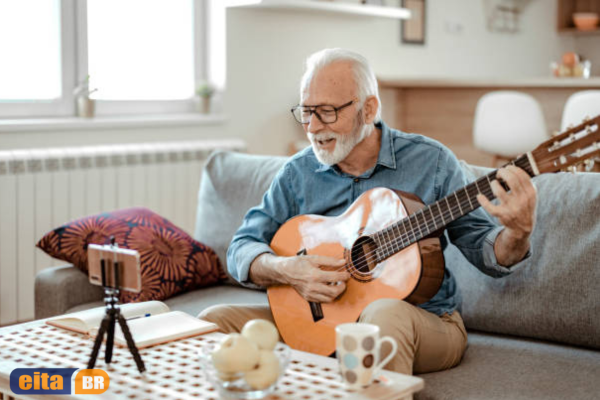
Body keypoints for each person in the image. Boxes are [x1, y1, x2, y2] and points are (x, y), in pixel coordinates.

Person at [199, 48, 536, 375]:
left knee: (380, 318)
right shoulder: (297, 172)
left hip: (424, 321)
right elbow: (242, 247)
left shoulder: (431, 162)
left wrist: (517, 234)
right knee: (214, 322)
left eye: (327, 112)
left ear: (369, 108)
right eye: (306, 112)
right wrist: (288, 270)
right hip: (321, 322)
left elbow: (486, 252)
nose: (313, 127)